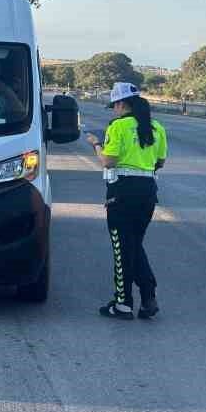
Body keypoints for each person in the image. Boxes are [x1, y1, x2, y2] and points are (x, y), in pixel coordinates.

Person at [86, 81, 167, 320]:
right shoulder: (156, 127)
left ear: (122, 104)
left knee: (122, 247)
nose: (113, 110)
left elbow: (108, 161)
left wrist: (96, 144)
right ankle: (148, 295)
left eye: (114, 105)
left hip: (122, 192)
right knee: (133, 245)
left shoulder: (118, 126)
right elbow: (159, 162)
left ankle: (122, 304)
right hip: (148, 192)